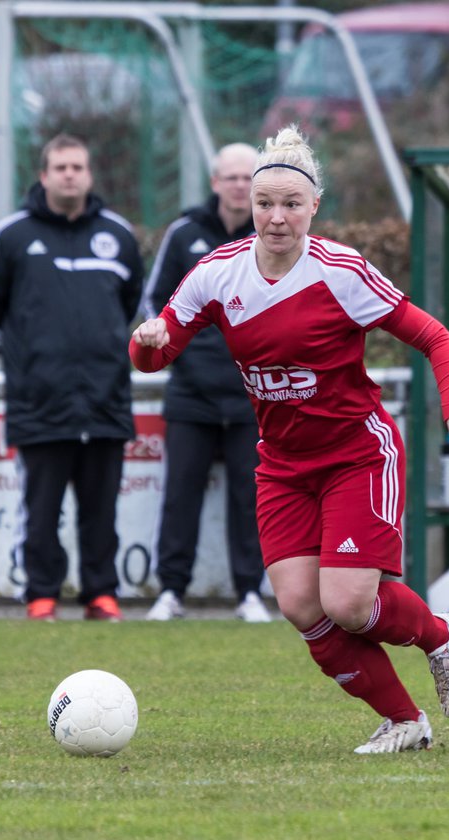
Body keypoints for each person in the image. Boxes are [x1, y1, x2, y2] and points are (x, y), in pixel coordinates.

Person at [131, 126, 449, 753]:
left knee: (350, 603)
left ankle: (438, 634)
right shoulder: (218, 273)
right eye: (264, 203)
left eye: (290, 204)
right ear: (248, 204)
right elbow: (153, 357)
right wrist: (148, 339)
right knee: (302, 605)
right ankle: (405, 721)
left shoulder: (342, 271)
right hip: (283, 464)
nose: (275, 217)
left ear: (312, 208)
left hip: (357, 453)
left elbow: (434, 337)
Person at [0, 134, 144, 623]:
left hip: (106, 402)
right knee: (41, 511)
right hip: (39, 402)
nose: (70, 174)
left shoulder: (118, 235)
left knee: (101, 512)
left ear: (89, 175)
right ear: (43, 175)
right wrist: (24, 360)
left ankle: (101, 595)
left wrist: (105, 352)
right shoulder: (12, 234)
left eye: (78, 167)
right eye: (60, 167)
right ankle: (42, 595)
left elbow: (130, 304)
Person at [141, 142, 271, 624]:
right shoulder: (185, 233)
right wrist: (179, 356)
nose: (240, 186)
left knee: (251, 494)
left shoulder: (274, 236)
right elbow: (154, 303)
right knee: (180, 495)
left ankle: (250, 593)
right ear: (215, 182)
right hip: (191, 394)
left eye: (248, 178)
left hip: (253, 397)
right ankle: (171, 591)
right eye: (231, 177)